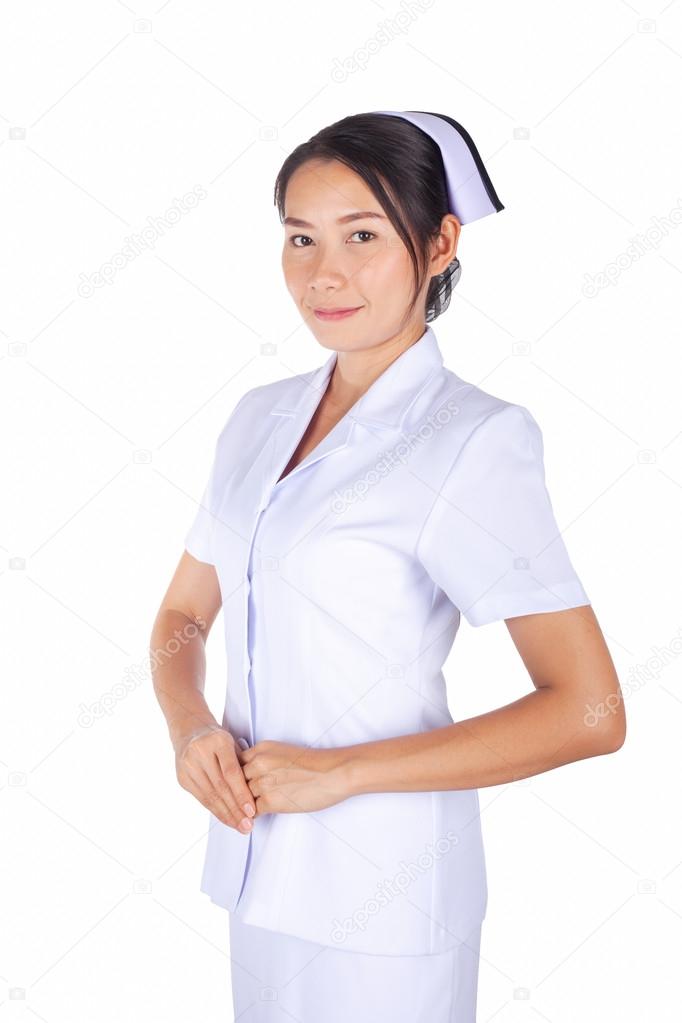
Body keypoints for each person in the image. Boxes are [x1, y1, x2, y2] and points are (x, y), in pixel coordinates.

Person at [151, 110, 626, 1022]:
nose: (323, 272)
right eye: (301, 237)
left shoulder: (475, 439)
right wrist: (188, 729)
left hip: (389, 895)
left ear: (440, 243)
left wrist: (341, 773)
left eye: (362, 235)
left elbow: (591, 710)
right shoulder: (258, 417)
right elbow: (181, 615)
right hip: (256, 869)